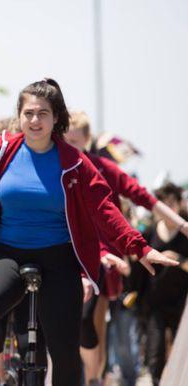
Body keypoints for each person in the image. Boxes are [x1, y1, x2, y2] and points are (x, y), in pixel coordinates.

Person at [0, 78, 178, 386]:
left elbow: (105, 209)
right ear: (19, 116)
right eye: (28, 113)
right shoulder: (2, 151)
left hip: (58, 257)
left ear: (56, 118)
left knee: (65, 348)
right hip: (8, 252)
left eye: (43, 113)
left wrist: (140, 248)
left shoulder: (75, 163)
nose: (35, 120)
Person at [64, 111, 188, 385]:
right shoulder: (54, 167)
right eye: (65, 140)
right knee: (67, 323)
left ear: (87, 141)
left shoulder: (99, 168)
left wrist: (180, 224)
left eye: (76, 141)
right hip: (64, 253)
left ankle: (94, 378)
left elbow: (140, 194)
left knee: (93, 320)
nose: (70, 146)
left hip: (101, 258)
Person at [135, 182, 188, 385]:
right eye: (163, 204)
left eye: (172, 203)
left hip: (181, 302)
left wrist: (179, 260)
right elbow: (140, 268)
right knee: (155, 351)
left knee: (181, 351)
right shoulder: (149, 232)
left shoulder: (186, 231)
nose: (168, 208)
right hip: (155, 301)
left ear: (178, 204)